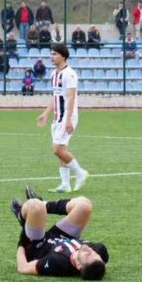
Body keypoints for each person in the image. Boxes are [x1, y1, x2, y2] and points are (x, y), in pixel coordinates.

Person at [9, 188, 107, 280]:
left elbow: (23, 268)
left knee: (35, 206)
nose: (89, 250)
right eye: (94, 254)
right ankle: (44, 204)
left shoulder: (58, 262)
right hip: (63, 238)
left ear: (78, 265)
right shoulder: (99, 252)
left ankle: (21, 216)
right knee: (85, 206)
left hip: (39, 245)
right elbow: (96, 260)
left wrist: (23, 241)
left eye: (87, 255)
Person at [36, 43, 88, 193]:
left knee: (57, 149)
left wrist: (69, 119)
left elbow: (71, 98)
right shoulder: (53, 74)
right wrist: (45, 113)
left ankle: (80, 173)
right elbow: (55, 96)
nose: (52, 57)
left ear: (63, 56)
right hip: (57, 116)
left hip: (67, 116)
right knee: (62, 149)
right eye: (51, 54)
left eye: (55, 54)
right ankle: (65, 184)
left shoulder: (69, 74)